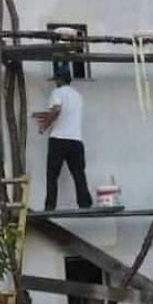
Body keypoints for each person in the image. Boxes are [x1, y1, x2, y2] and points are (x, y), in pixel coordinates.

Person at [33, 65, 93, 211]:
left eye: (56, 80)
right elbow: (67, 114)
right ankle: (85, 203)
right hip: (76, 140)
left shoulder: (57, 92)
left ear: (60, 80)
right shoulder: (78, 96)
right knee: (78, 173)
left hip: (58, 139)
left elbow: (57, 109)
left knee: (52, 175)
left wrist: (44, 125)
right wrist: (45, 115)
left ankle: (50, 206)